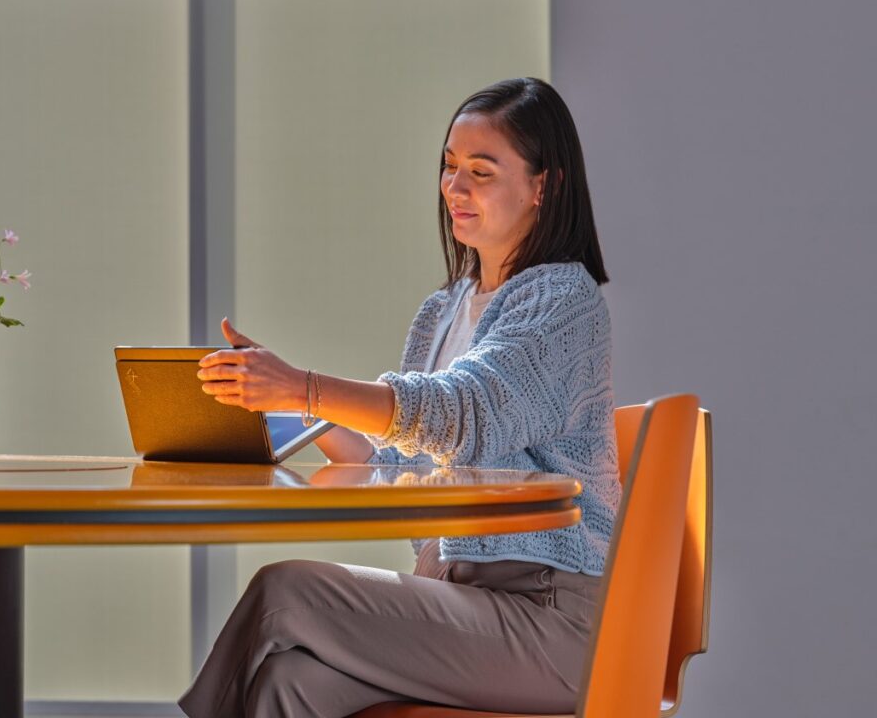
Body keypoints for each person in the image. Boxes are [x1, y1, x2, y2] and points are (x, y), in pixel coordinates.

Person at [178, 77, 620, 718]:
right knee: (285, 685)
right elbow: (394, 460)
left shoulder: (563, 303)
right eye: (449, 166)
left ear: (542, 185)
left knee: (285, 593)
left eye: (481, 171)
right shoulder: (444, 311)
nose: (455, 188)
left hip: (549, 619)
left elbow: (464, 413)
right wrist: (286, 400)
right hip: (460, 602)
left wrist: (302, 383)